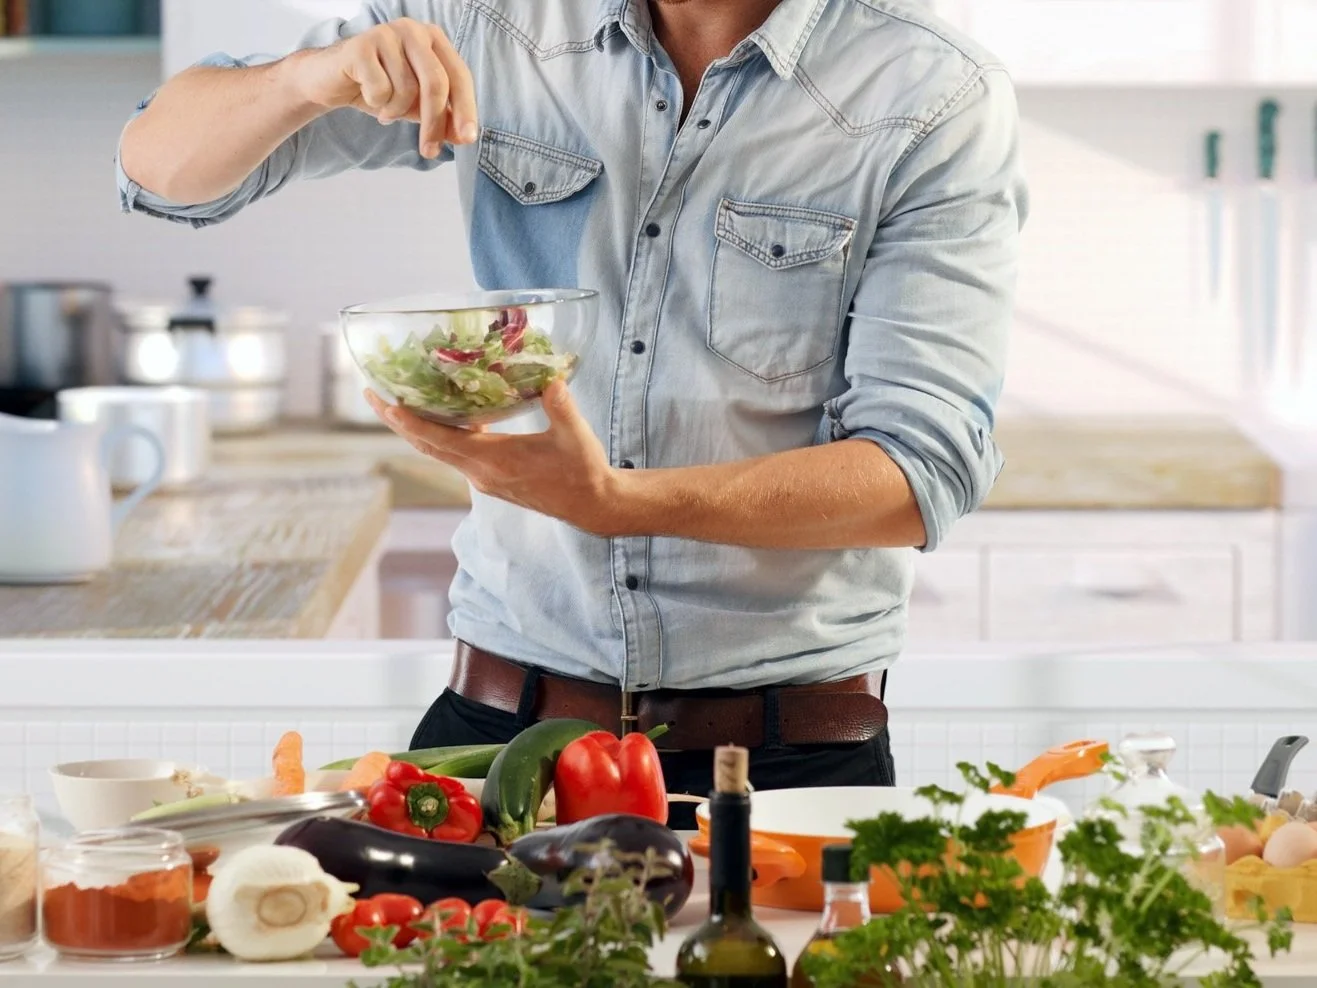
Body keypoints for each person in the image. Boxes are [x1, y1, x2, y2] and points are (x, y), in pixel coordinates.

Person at [117, 0, 1026, 825]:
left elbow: (918, 472)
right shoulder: (489, 23)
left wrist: (616, 502)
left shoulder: (930, 93)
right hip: (494, 738)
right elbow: (161, 170)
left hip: (783, 764)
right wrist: (305, 78)